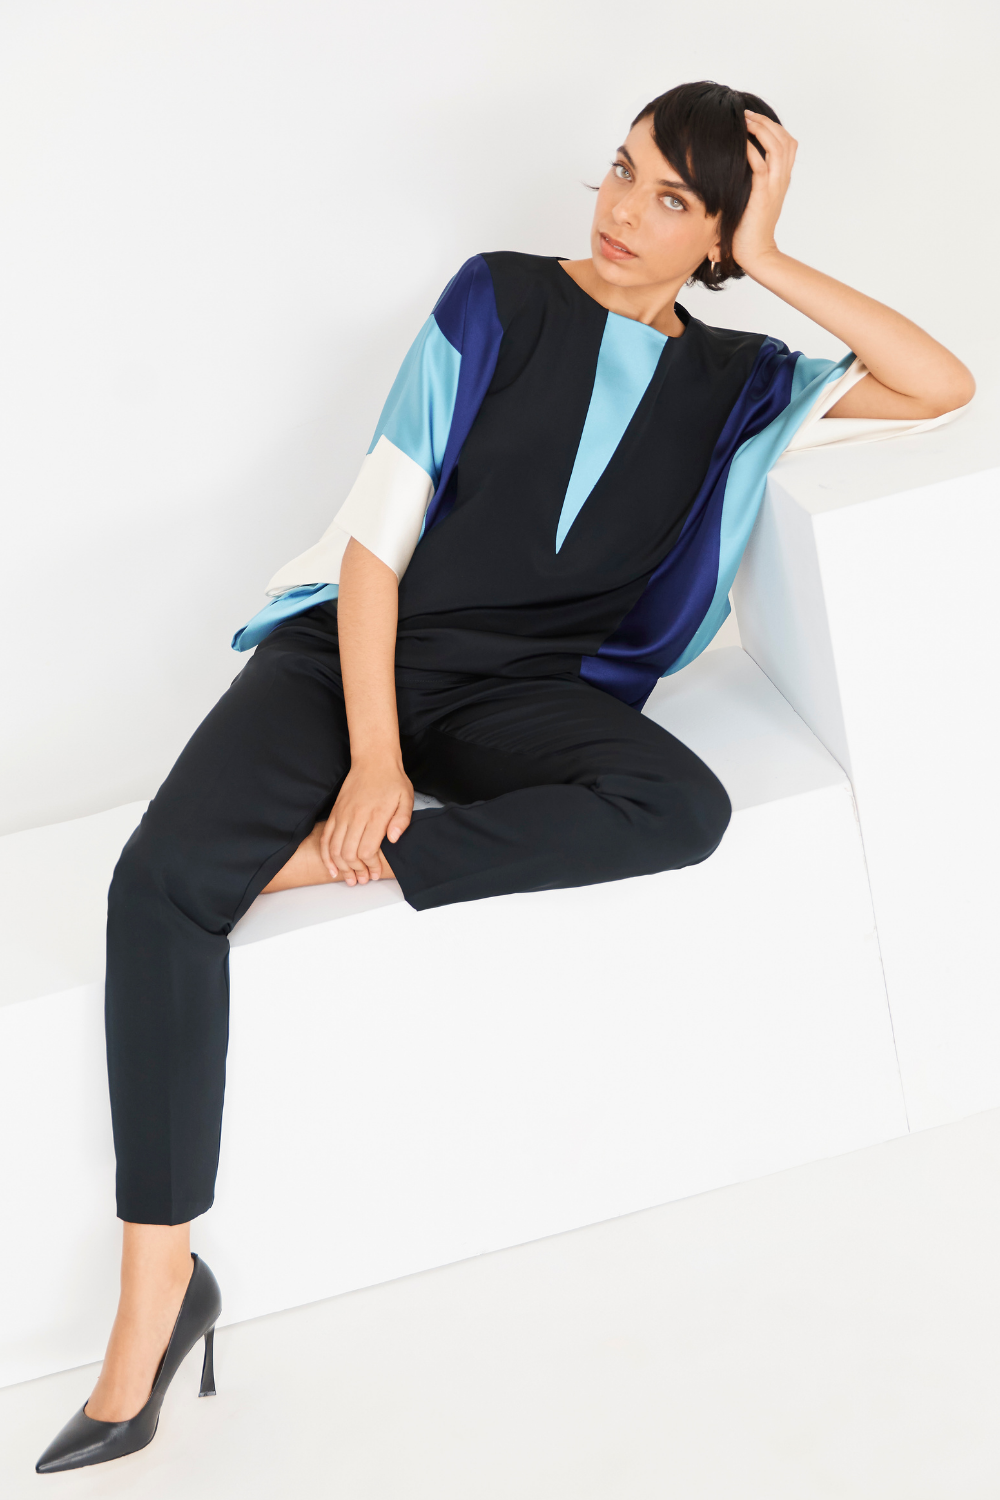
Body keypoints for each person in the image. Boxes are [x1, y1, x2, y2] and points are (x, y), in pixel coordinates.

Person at [36, 80, 973, 1472]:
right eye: (622, 169)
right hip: (349, 660)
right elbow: (373, 546)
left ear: (717, 234)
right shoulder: (498, 298)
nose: (620, 209)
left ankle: (320, 863)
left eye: (672, 198)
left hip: (522, 701)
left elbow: (941, 384)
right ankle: (159, 1290)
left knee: (682, 807)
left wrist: (772, 258)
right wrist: (374, 758)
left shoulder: (741, 384)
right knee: (157, 887)